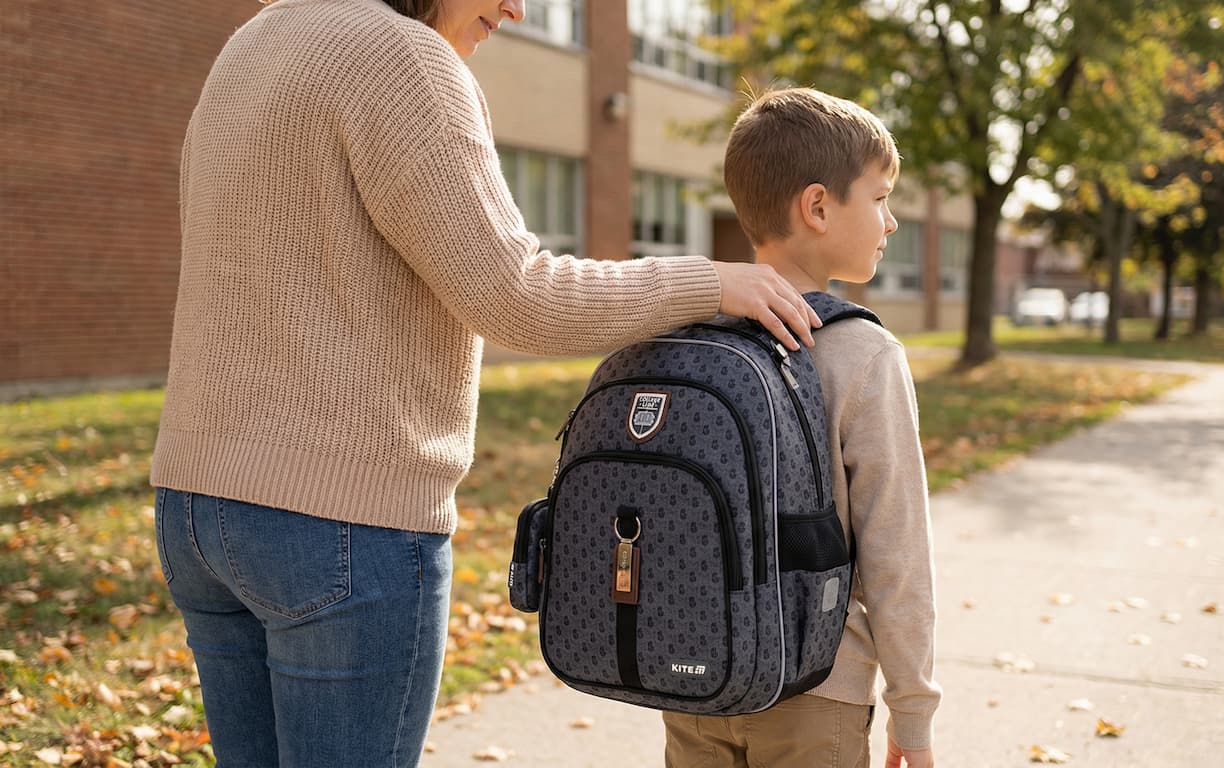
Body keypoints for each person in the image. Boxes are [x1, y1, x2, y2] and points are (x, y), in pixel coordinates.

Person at [148, 0, 822, 765]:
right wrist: (712, 283)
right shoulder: (404, 58)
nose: (519, 7)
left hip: (194, 507)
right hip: (338, 525)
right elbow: (518, 297)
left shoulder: (253, 40)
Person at [661, 88, 941, 768]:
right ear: (818, 207)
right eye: (879, 197)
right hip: (820, 690)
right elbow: (895, 552)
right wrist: (914, 709)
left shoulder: (686, 337)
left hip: (693, 677)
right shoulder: (863, 353)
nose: (891, 220)